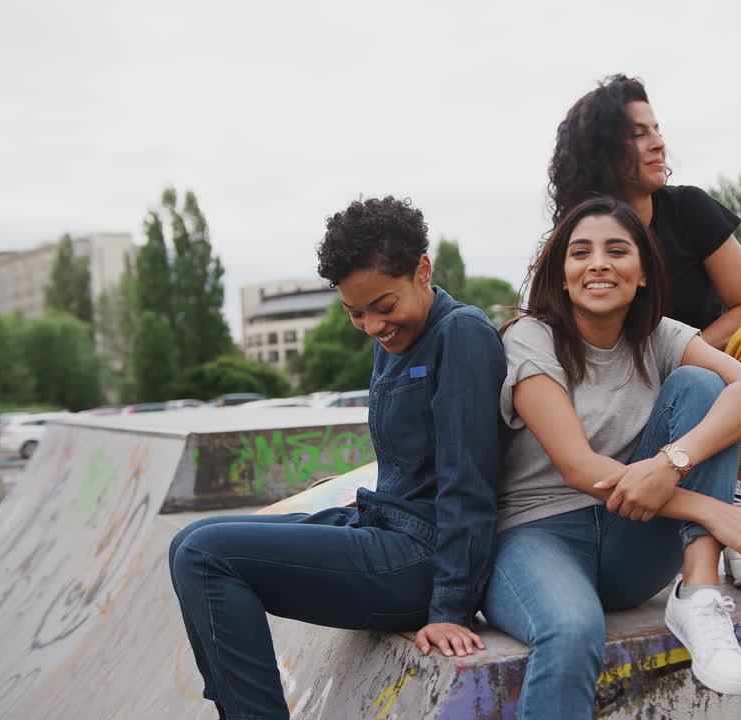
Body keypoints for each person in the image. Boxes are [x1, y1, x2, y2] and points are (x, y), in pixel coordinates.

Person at [168, 197, 505, 720]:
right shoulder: (392, 342)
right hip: (378, 525)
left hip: (421, 557)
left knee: (206, 554)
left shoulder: (461, 333)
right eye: (356, 313)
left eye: (384, 306)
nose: (373, 325)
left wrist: (450, 609)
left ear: (422, 270)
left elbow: (470, 482)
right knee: (187, 542)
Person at [483, 196, 741, 719]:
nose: (598, 262)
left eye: (616, 250)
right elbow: (577, 467)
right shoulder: (532, 337)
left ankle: (700, 595)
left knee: (701, 385)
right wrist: (715, 509)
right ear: (562, 273)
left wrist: (672, 462)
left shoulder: (659, 335)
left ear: (642, 272)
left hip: (632, 537)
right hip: (537, 535)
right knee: (572, 628)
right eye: (581, 253)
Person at [548, 74, 741, 584]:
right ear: (601, 149)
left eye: (657, 129)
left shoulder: (688, 208)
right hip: (622, 414)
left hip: (698, 381)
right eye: (639, 133)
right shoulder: (579, 238)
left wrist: (674, 355)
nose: (659, 143)